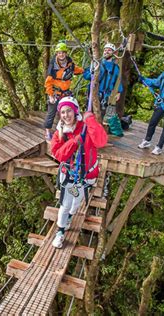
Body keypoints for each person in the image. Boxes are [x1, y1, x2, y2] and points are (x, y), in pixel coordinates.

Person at [50, 97, 108, 248]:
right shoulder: (60, 132)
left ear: (75, 111)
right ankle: (60, 231)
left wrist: (91, 120)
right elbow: (58, 154)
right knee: (65, 204)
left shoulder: (85, 127)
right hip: (70, 175)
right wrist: (74, 141)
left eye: (69, 110)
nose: (66, 115)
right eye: (62, 112)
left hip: (87, 175)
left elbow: (101, 142)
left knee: (77, 202)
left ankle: (70, 216)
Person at [44, 42, 84, 141]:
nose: (61, 55)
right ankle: (48, 132)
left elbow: (77, 69)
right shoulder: (53, 66)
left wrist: (86, 70)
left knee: (68, 111)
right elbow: (48, 82)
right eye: (59, 53)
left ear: (66, 53)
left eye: (62, 52)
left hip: (66, 92)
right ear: (56, 54)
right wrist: (50, 95)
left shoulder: (70, 64)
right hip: (55, 92)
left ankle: (66, 130)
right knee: (51, 112)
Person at [83, 43, 123, 118]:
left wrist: (119, 92)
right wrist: (92, 73)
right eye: (105, 50)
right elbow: (86, 74)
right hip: (94, 93)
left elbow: (118, 81)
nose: (106, 52)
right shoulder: (97, 63)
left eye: (109, 50)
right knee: (89, 116)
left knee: (101, 117)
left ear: (113, 53)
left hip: (106, 96)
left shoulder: (115, 68)